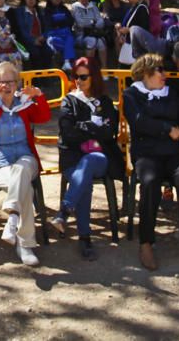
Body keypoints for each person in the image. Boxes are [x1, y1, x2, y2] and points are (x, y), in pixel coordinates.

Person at [123, 54, 179, 270]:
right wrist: (167, 128)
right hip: (147, 156)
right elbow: (138, 121)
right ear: (145, 72)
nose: (164, 74)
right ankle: (146, 243)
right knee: (150, 183)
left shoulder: (171, 95)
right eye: (159, 69)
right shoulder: (132, 94)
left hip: (173, 156)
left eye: (164, 69)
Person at [0, 61, 51, 266]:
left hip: (25, 157)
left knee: (22, 170)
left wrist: (39, 96)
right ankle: (25, 243)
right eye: (2, 82)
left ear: (17, 83)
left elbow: (44, 116)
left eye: (11, 81)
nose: (7, 86)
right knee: (23, 185)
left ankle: (13, 217)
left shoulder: (23, 104)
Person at [52, 57, 125, 260]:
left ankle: (65, 210)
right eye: (75, 76)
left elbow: (109, 132)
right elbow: (67, 133)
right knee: (83, 179)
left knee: (91, 160)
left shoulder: (104, 101)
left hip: (100, 157)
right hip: (72, 157)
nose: (78, 81)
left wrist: (83, 126)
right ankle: (85, 239)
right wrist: (94, 129)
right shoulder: (69, 101)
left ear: (94, 77)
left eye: (83, 76)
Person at [71, 0, 108, 68]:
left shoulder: (93, 6)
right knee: (91, 41)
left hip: (94, 33)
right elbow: (80, 23)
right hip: (81, 35)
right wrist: (93, 22)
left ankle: (104, 69)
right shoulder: (75, 7)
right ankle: (89, 69)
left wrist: (91, 23)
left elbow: (101, 21)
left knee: (101, 42)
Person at [15, 0, 53, 69]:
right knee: (35, 53)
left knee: (48, 52)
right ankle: (36, 79)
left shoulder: (40, 11)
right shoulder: (20, 12)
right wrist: (33, 40)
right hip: (27, 41)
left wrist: (43, 36)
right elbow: (22, 30)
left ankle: (46, 78)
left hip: (41, 39)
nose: (31, 0)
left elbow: (47, 26)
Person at [115, 0, 151, 64]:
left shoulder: (142, 8)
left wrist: (128, 30)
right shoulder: (132, 7)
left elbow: (144, 30)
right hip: (128, 47)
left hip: (135, 53)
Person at [43, 0, 76, 71]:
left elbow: (70, 21)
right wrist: (61, 20)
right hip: (54, 35)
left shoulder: (64, 8)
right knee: (52, 41)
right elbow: (49, 23)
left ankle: (67, 63)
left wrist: (57, 20)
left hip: (66, 34)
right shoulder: (47, 10)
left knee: (70, 38)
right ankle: (67, 60)